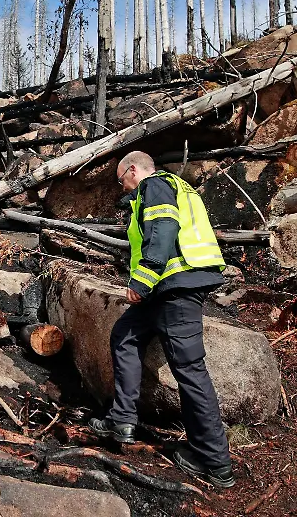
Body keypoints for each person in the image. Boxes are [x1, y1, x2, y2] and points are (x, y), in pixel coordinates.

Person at [88, 151, 235, 488]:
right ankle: (122, 420)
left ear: (134, 170)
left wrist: (142, 279)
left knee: (190, 372)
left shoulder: (155, 186)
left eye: (122, 180)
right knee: (124, 335)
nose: (123, 188)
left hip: (176, 287)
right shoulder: (177, 187)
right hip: (165, 289)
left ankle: (214, 461)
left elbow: (164, 229)